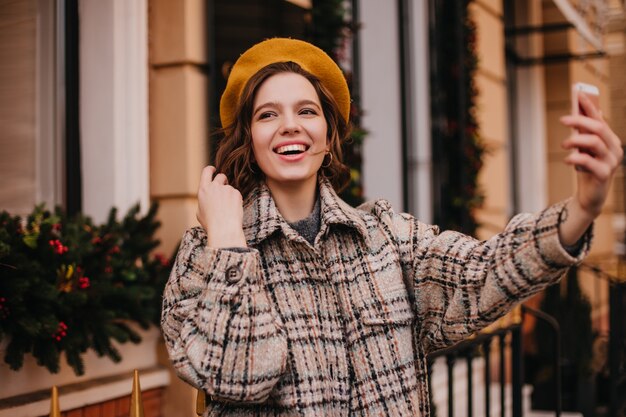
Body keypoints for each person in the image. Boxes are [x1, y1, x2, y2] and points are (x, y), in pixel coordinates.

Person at [161, 38, 623, 416]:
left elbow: (483, 273)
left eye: (306, 111)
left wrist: (583, 206)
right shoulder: (207, 253)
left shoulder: (387, 238)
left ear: (329, 133)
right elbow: (239, 376)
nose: (289, 126)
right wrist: (229, 246)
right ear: (249, 137)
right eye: (267, 114)